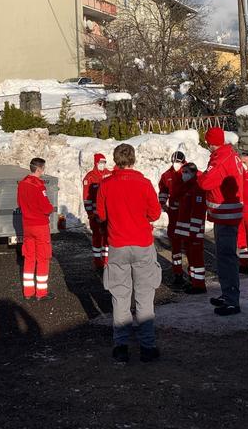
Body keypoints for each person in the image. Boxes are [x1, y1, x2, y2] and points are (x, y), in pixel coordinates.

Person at [96, 143, 163, 363]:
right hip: (142, 245)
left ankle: (121, 346)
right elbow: (154, 214)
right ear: (133, 160)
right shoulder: (143, 183)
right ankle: (147, 347)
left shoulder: (106, 185)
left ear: (115, 160)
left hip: (117, 245)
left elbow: (101, 215)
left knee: (120, 296)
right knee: (145, 297)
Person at [197, 127, 244, 316]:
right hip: (228, 213)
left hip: (225, 214)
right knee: (225, 256)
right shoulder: (230, 154)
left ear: (210, 142)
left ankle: (232, 300)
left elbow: (206, 182)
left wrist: (198, 175)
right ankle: (228, 294)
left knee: (226, 258)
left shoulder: (220, 158)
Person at [17, 157, 56, 301]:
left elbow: (19, 203)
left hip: (27, 225)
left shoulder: (22, 184)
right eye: (43, 169)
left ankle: (28, 292)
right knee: (43, 258)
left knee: (29, 257)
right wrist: (51, 208)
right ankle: (41, 292)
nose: (43, 171)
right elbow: (45, 206)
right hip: (40, 225)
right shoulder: (38, 185)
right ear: (39, 169)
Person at [174, 163, 208, 294]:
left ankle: (199, 285)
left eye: (186, 172)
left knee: (197, 258)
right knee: (191, 258)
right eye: (183, 172)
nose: (183, 174)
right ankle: (194, 282)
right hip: (187, 231)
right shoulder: (186, 187)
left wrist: (194, 231)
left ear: (193, 172)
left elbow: (198, 211)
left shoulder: (197, 187)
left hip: (194, 231)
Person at [159, 151, 188, 286]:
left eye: (177, 162)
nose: (175, 165)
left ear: (183, 162)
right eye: (173, 162)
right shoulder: (167, 175)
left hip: (187, 215)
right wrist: (163, 203)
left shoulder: (191, 173)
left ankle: (194, 276)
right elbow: (163, 189)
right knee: (175, 246)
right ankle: (178, 274)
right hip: (174, 215)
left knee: (190, 246)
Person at [83, 153, 113, 269]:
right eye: (100, 162)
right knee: (97, 236)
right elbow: (86, 198)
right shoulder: (89, 177)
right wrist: (90, 213)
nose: (102, 165)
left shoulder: (109, 174)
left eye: (104, 162)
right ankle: (97, 261)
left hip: (107, 213)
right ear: (95, 163)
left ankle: (106, 260)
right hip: (95, 214)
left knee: (107, 236)